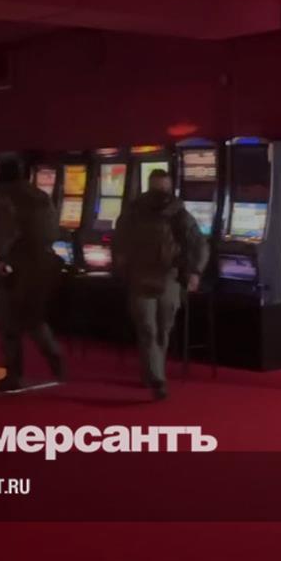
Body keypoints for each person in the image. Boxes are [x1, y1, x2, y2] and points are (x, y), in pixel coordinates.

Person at [113, 169, 208, 401]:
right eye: (157, 188)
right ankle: (157, 378)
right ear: (149, 187)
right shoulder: (134, 212)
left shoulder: (180, 214)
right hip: (140, 276)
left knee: (163, 330)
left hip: (169, 278)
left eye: (164, 188)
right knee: (148, 329)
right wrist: (121, 264)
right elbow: (119, 241)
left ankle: (153, 372)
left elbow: (199, 244)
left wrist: (195, 272)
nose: (161, 193)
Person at [0, 159, 67, 392]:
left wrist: (2, 260)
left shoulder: (5, 198)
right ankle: (54, 353)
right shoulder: (40, 195)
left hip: (18, 264)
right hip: (45, 264)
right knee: (33, 316)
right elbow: (55, 231)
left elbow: (3, 235)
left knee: (7, 321)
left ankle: (14, 375)